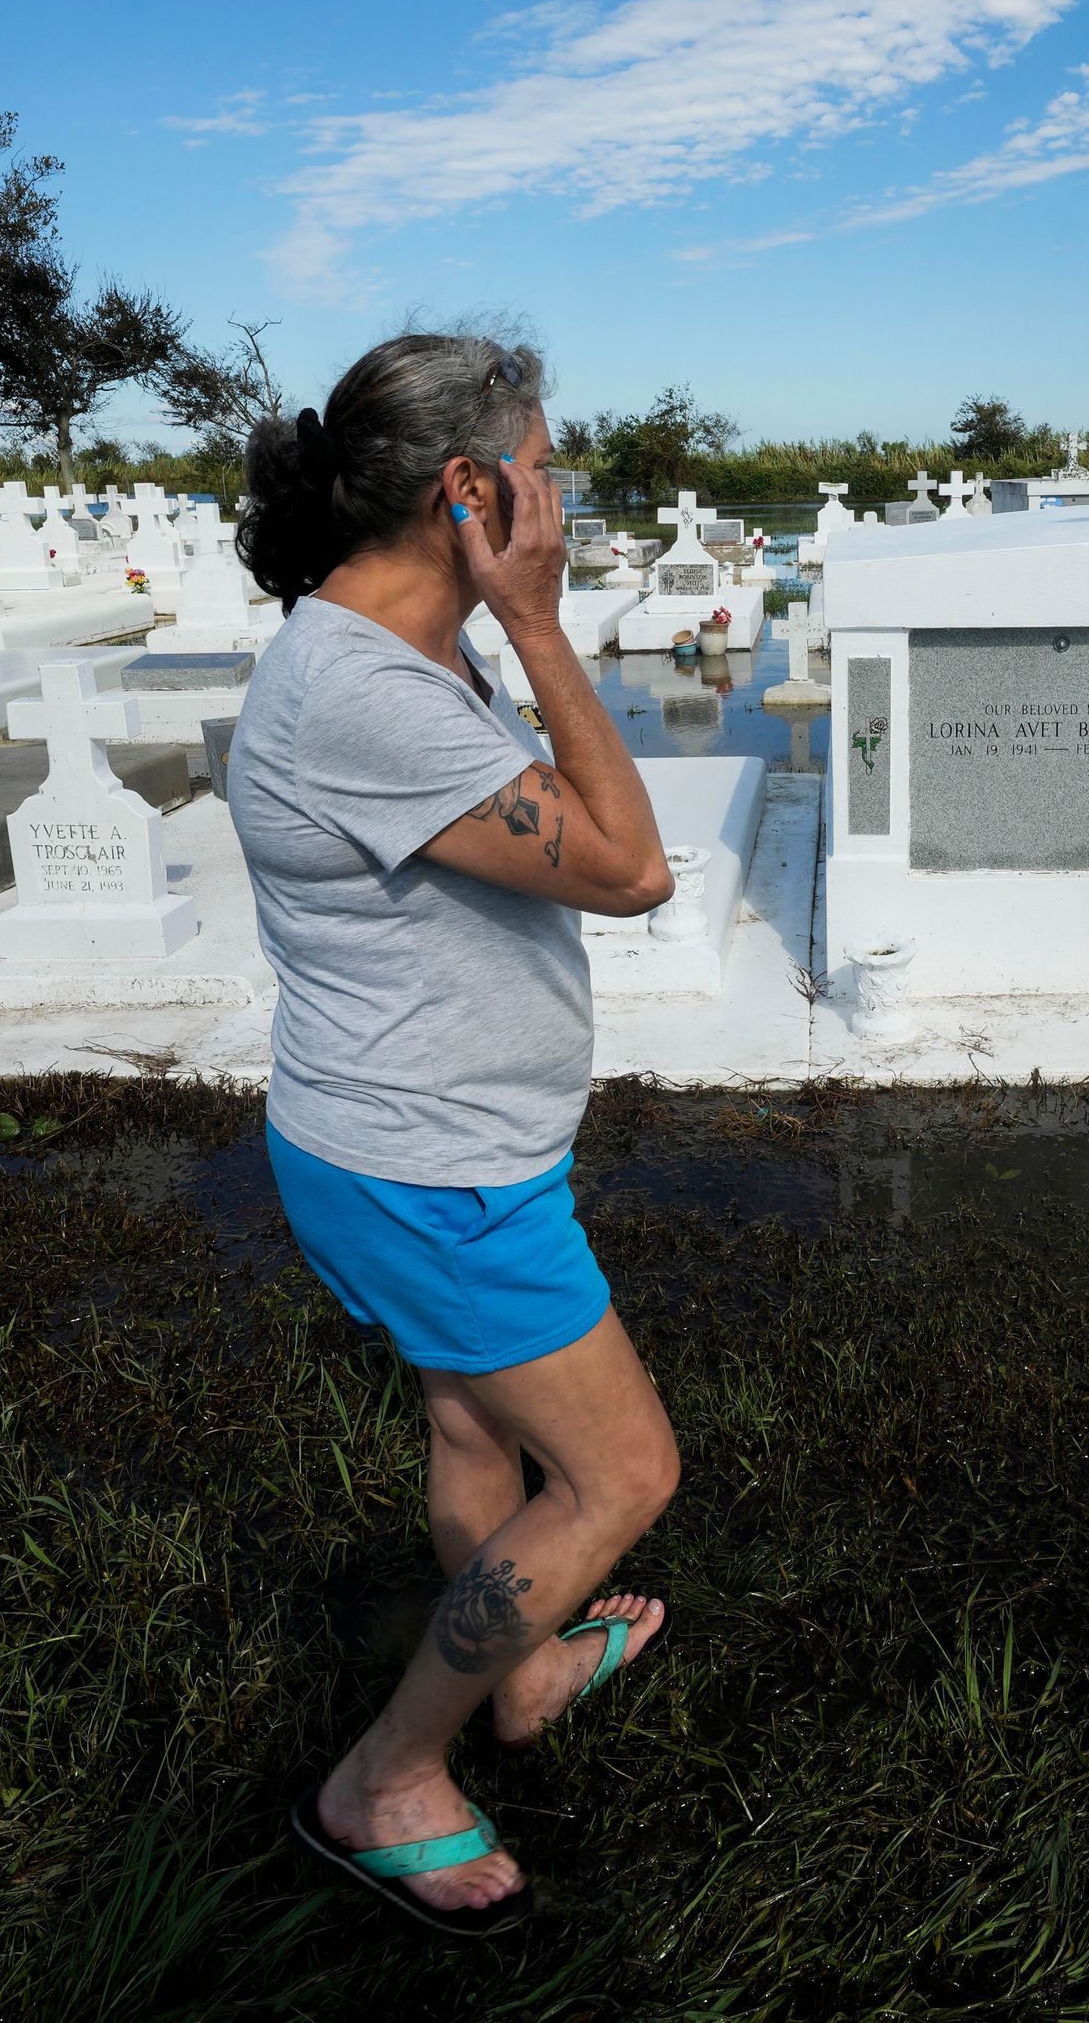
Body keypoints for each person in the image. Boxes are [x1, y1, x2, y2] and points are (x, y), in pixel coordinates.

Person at [224, 331, 682, 1937]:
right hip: (436, 1175)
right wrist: (545, 624)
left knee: (481, 1437)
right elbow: (630, 868)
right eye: (541, 466)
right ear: (468, 493)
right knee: (622, 1473)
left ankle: (528, 1668)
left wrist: (502, 623)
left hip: (422, 1142)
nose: (559, 493)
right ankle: (387, 1780)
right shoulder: (367, 686)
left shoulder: (393, 646)